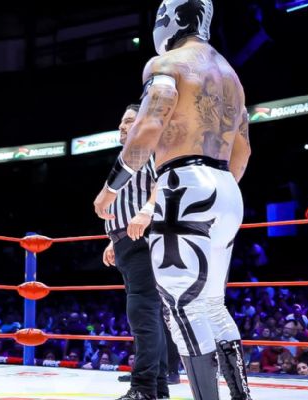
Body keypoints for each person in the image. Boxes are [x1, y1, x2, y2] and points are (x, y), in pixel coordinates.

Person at [93, 1, 253, 399]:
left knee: (183, 304)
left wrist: (112, 187)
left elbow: (150, 123)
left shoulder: (166, 64)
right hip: (227, 187)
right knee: (213, 304)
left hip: (184, 183)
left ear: (174, 18)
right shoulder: (231, 76)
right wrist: (214, 189)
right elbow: (243, 150)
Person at [100, 104, 169, 400]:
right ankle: (158, 386)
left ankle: (143, 388)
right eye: (121, 121)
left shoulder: (147, 148)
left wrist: (147, 211)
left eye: (129, 121)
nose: (122, 126)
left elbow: (163, 180)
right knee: (147, 313)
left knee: (143, 312)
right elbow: (125, 200)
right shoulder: (128, 157)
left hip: (143, 240)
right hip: (127, 241)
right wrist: (113, 239)